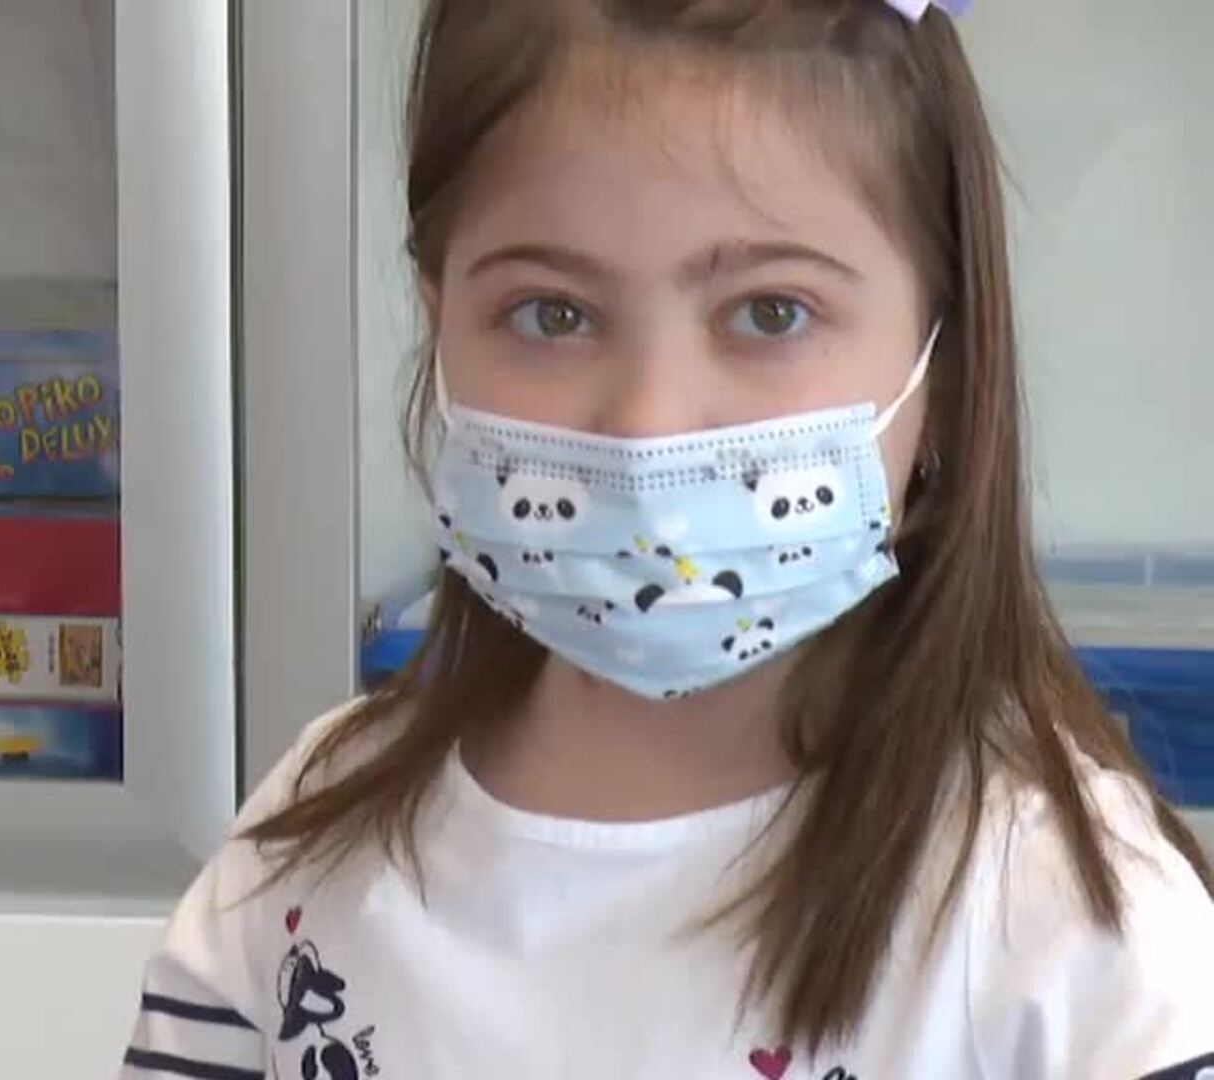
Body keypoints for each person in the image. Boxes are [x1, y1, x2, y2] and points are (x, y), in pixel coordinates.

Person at [122, 0, 1214, 1076]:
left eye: (770, 313)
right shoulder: (307, 850)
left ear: (946, 362)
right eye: (552, 314)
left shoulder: (1076, 940)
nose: (648, 425)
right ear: (438, 317)